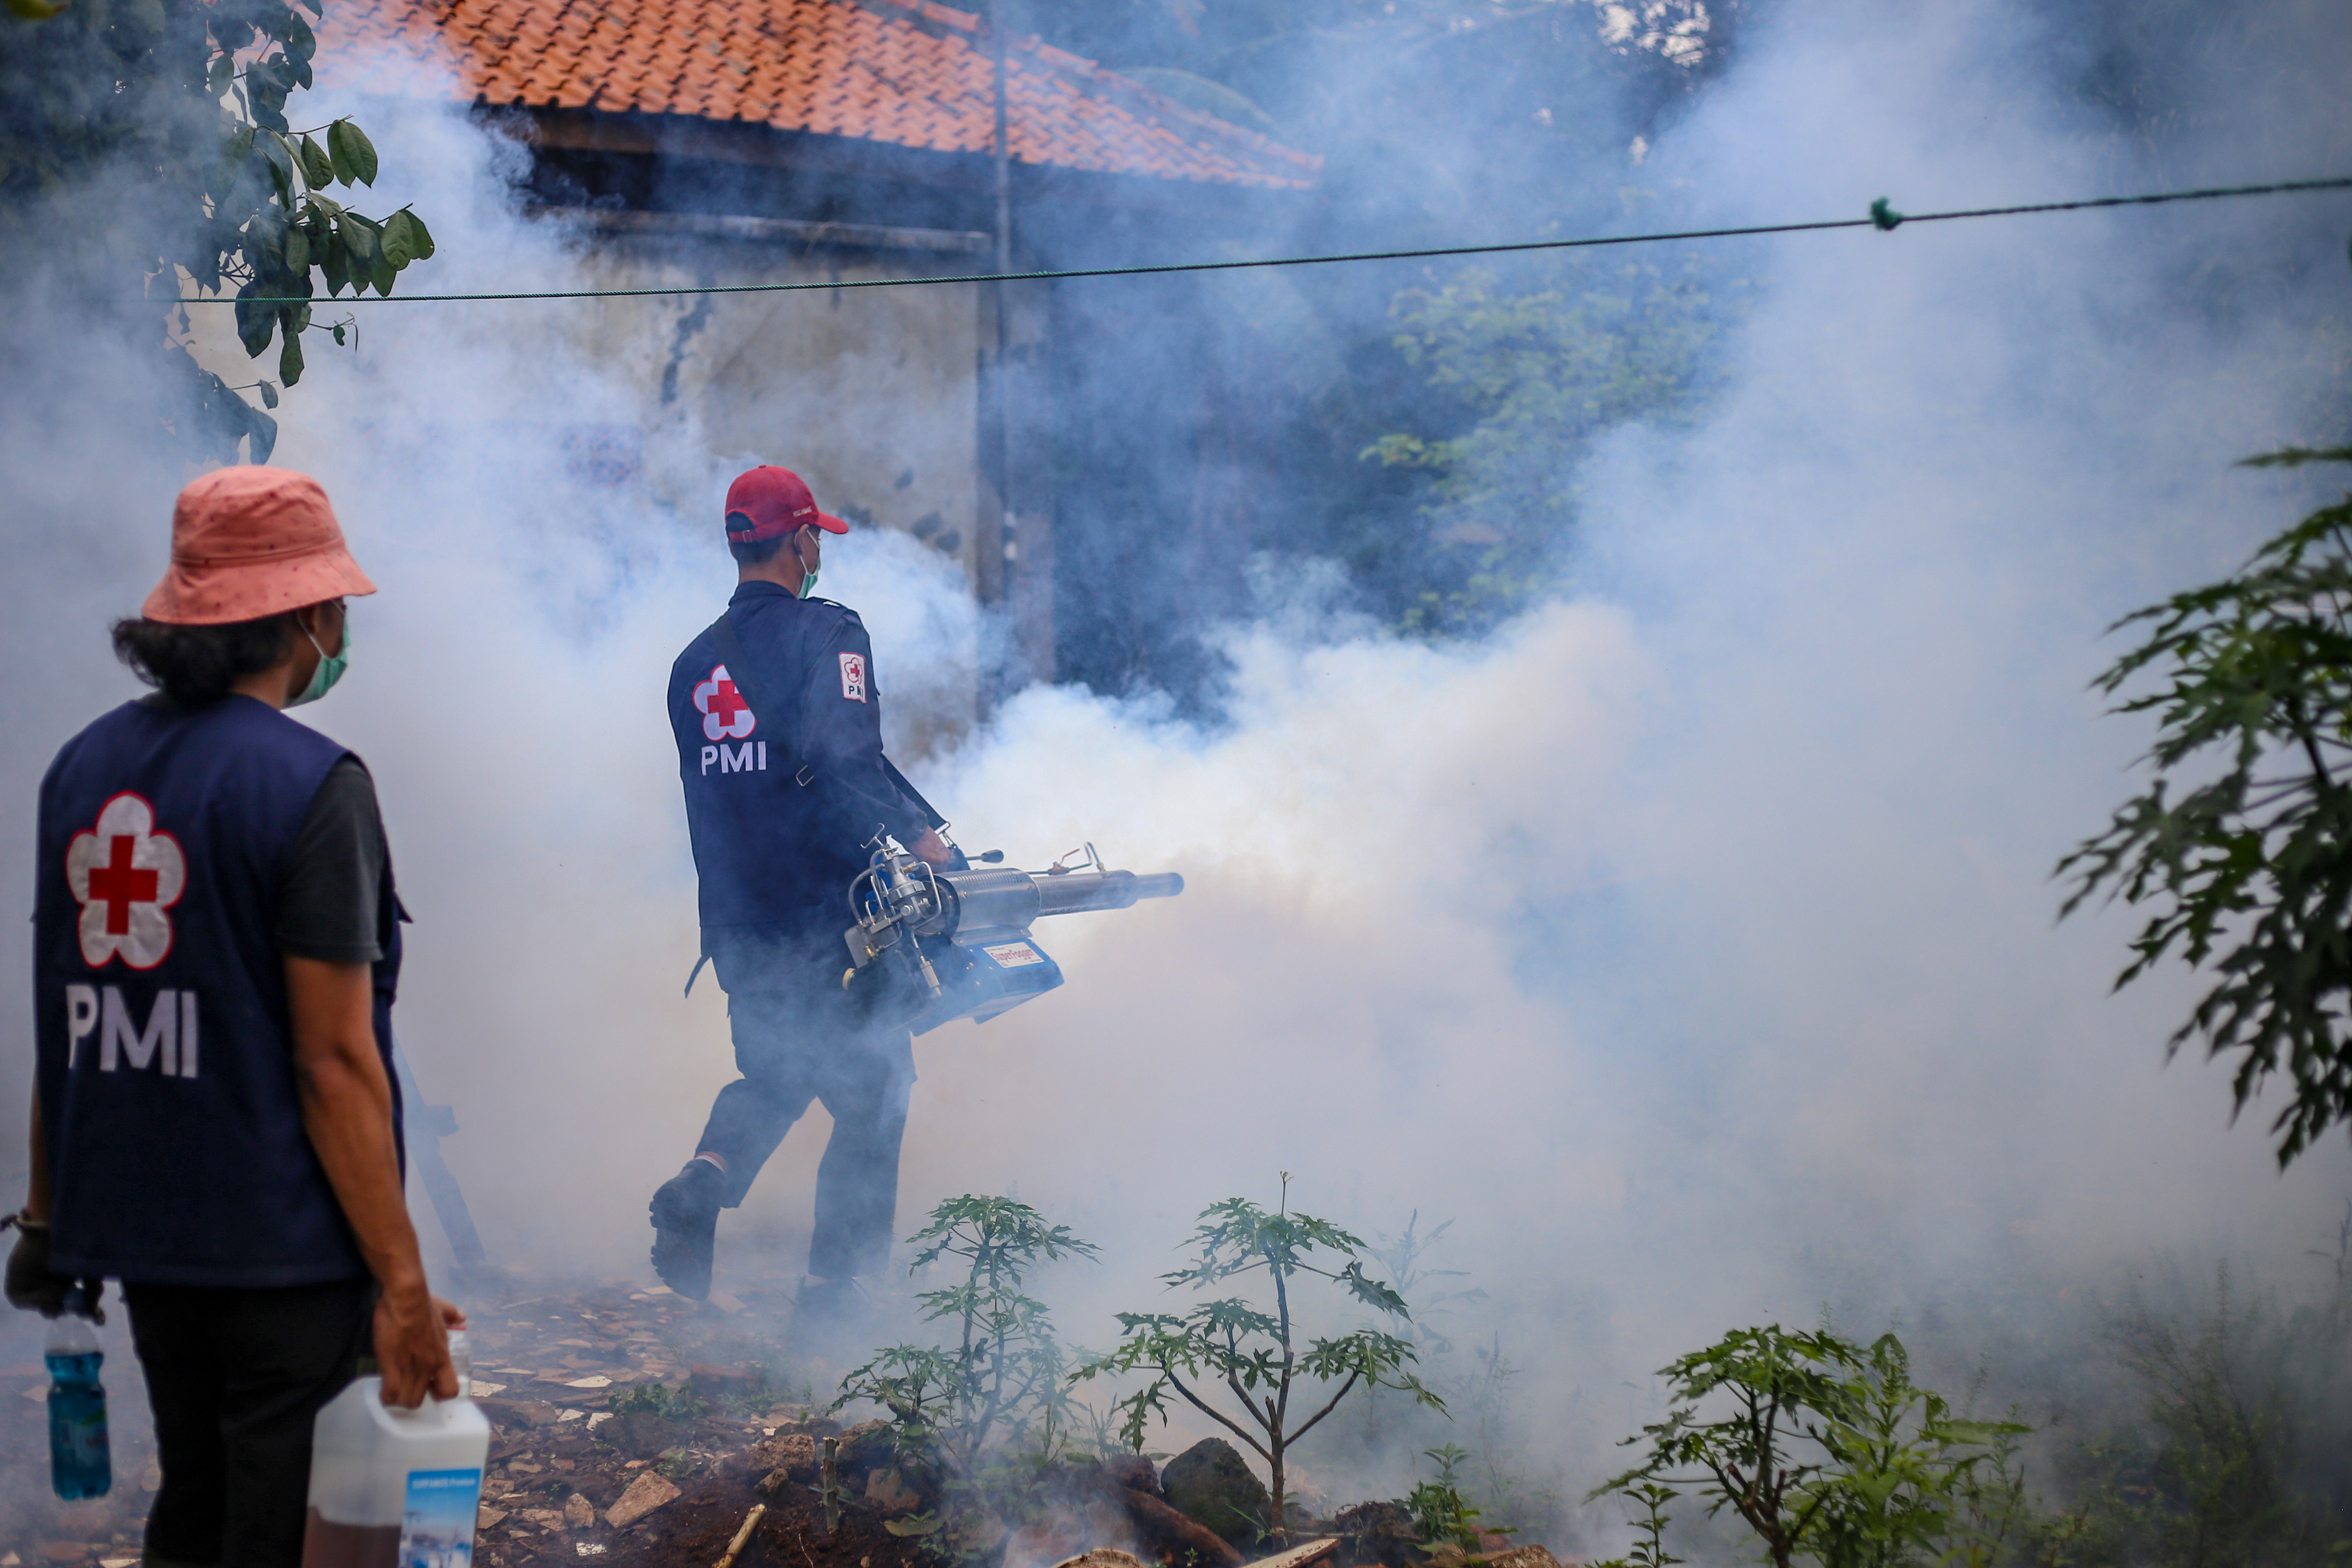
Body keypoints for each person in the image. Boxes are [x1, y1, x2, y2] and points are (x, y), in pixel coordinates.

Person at [6, 465, 463, 1568]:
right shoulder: (313, 784)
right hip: (281, 1254)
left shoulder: (82, 768)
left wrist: (45, 1219)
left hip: (149, 1241)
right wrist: (402, 1285)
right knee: (270, 1528)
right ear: (301, 617)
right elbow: (336, 1063)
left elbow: (67, 1021)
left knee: (198, 1503)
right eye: (336, 605)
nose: (342, 626)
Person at [650, 464, 951, 1324]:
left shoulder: (689, 665)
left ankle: (702, 1183)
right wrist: (920, 839)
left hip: (738, 922)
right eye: (817, 536)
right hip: (829, 920)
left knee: (780, 1067)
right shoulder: (832, 633)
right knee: (878, 1087)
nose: (820, 551)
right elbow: (845, 760)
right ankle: (835, 1297)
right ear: (802, 541)